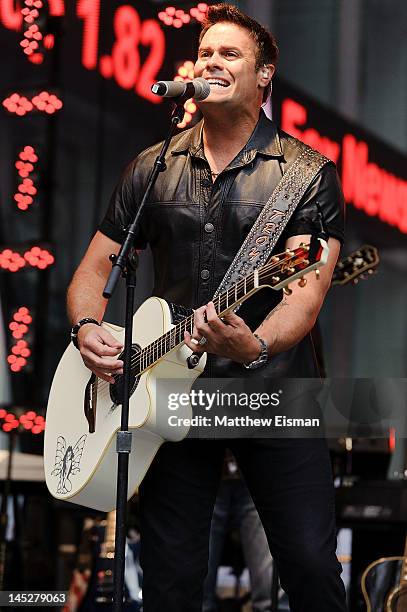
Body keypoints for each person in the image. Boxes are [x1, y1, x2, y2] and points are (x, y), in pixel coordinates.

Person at [66, 4, 348, 611]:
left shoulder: (306, 174)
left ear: (264, 73)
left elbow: (306, 293)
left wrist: (258, 345)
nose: (212, 62)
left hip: (273, 391)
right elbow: (94, 271)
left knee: (307, 565)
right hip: (171, 395)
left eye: (231, 54)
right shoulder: (153, 166)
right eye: (206, 52)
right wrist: (88, 326)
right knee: (170, 575)